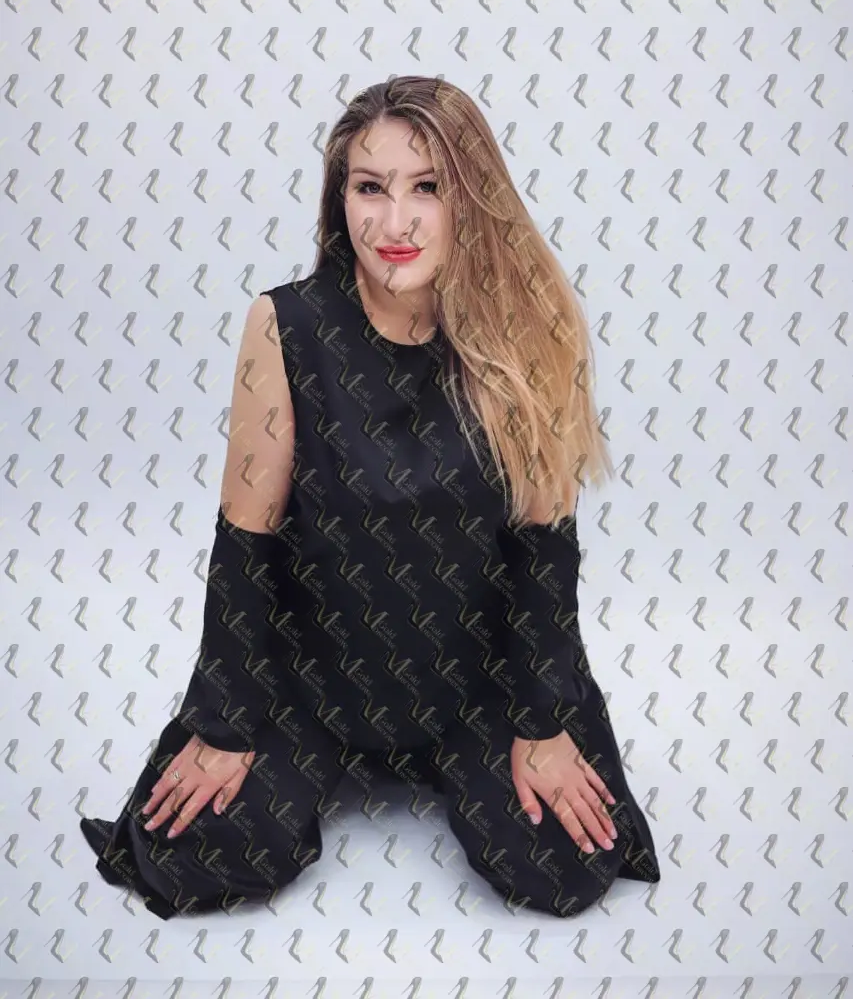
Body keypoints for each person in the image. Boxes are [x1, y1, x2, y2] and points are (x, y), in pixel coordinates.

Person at [80, 76, 661, 920]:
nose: (394, 224)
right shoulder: (285, 327)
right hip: (314, 673)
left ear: (472, 201)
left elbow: (544, 550)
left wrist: (541, 724)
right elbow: (246, 539)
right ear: (339, 198)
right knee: (194, 853)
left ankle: (462, 756)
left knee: (561, 865)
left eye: (426, 188)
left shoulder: (527, 328)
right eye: (369, 188)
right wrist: (224, 723)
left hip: (476, 678)